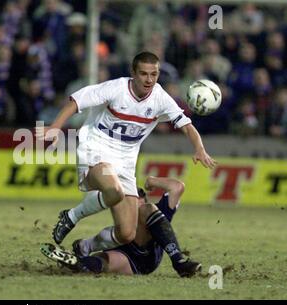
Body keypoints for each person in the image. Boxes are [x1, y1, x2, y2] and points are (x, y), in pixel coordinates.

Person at [38, 52, 216, 271]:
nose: (149, 80)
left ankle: (84, 244)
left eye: (154, 74)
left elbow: (186, 126)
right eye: (143, 74)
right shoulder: (116, 89)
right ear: (133, 73)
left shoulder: (160, 98)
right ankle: (72, 217)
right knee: (113, 189)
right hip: (95, 151)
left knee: (126, 233)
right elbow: (76, 101)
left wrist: (199, 148)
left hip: (125, 164)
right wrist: (56, 128)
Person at [41, 176, 202, 277]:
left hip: (149, 255)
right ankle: (79, 262)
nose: (131, 203)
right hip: (133, 262)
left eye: (135, 197)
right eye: (127, 199)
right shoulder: (122, 225)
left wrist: (152, 180)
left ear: (142, 198)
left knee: (146, 211)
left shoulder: (156, 211)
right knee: (105, 262)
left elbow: (177, 187)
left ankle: (179, 262)